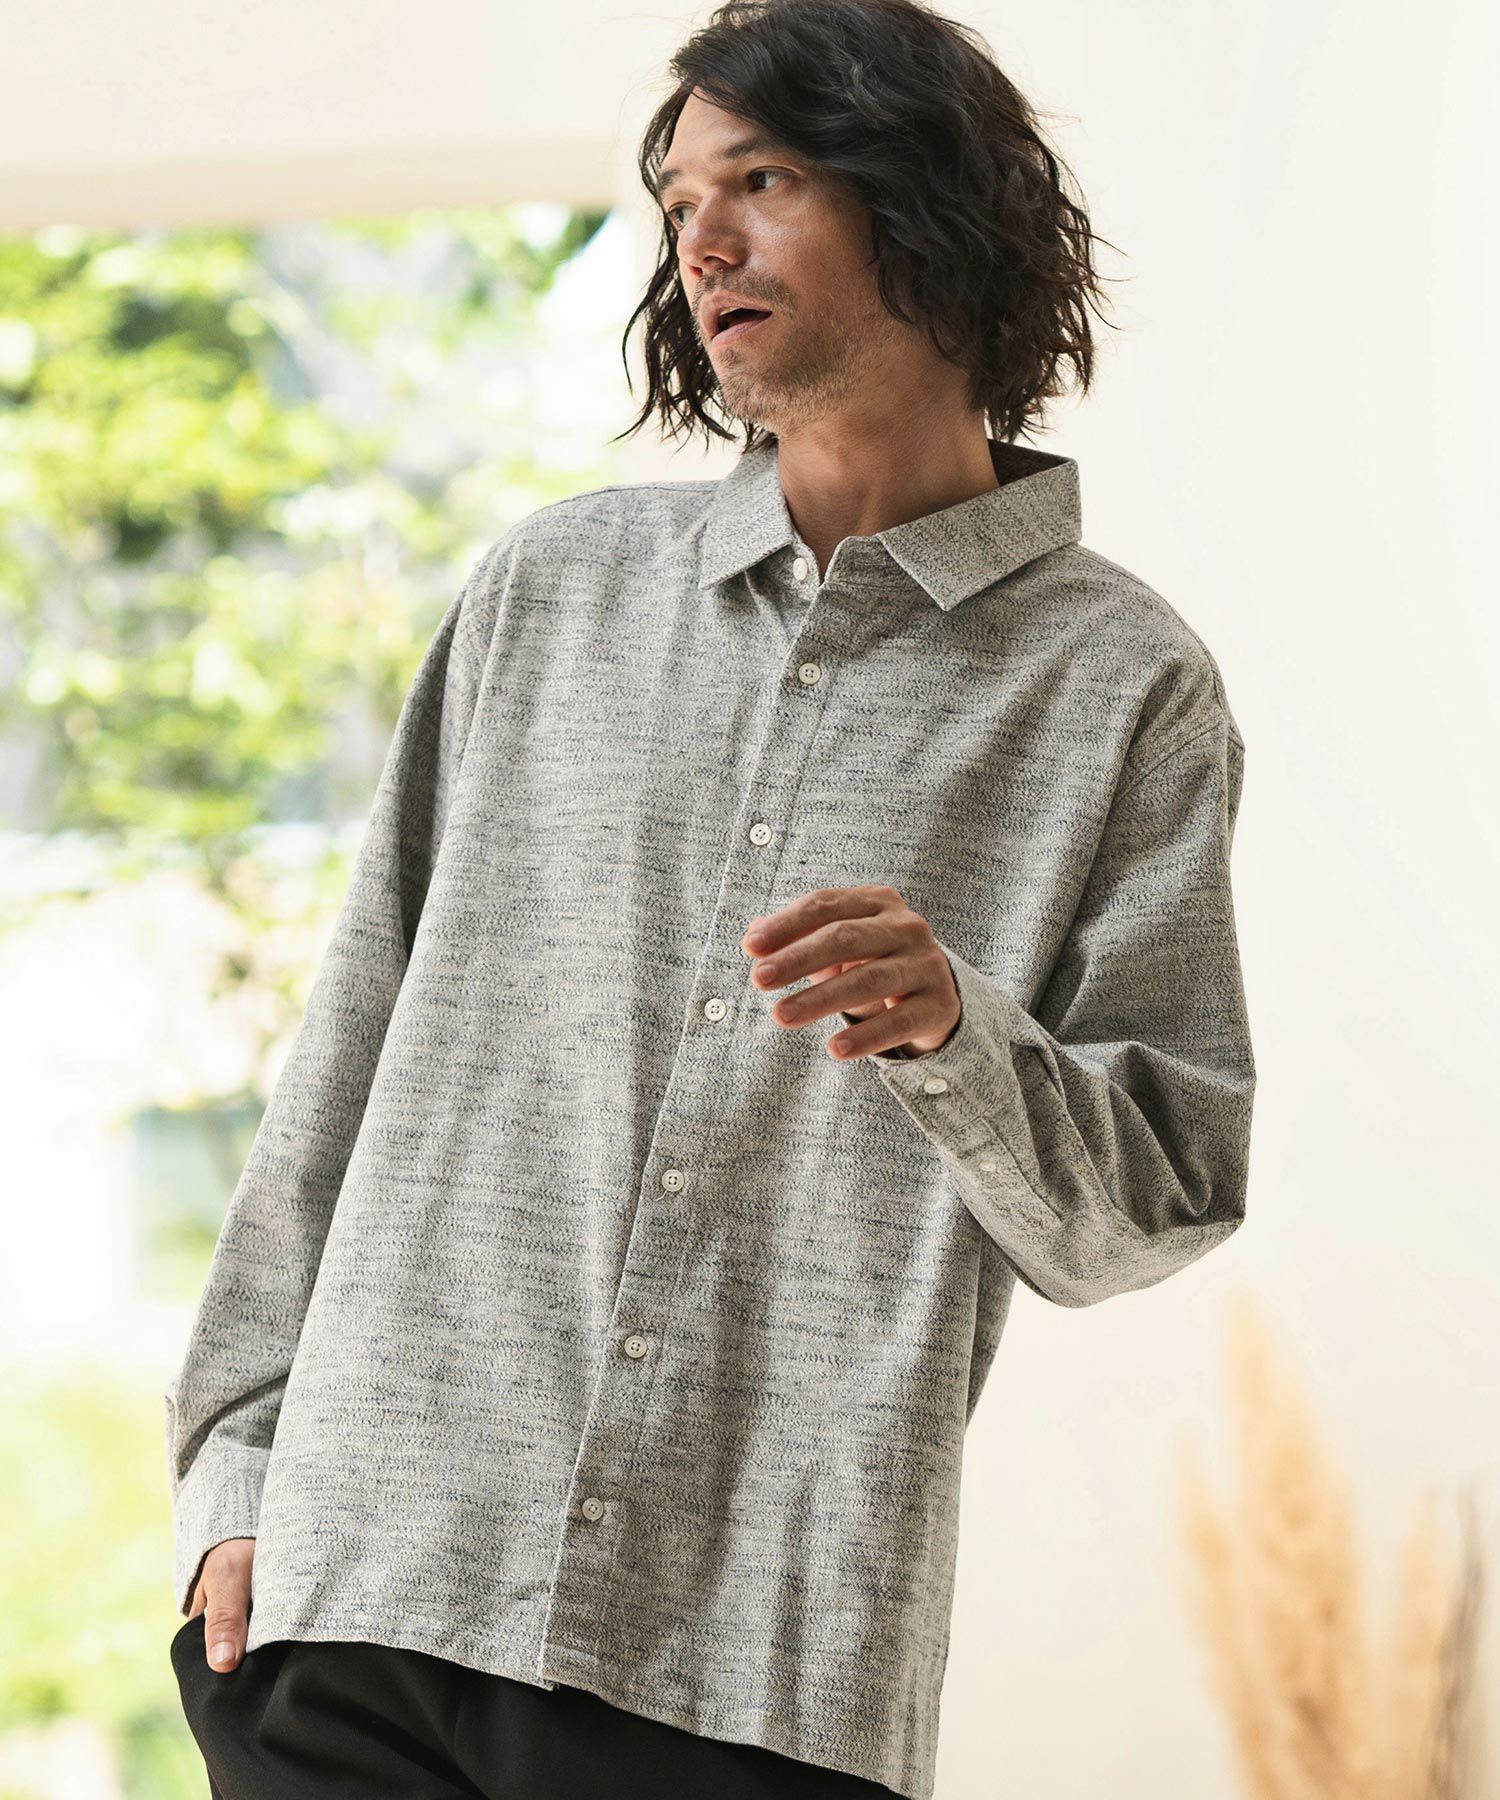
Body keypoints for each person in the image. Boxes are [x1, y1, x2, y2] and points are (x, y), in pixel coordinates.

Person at [165, 0, 1257, 1795]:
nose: (704, 243)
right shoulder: (551, 594)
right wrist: (233, 1474)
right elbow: (345, 1056)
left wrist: (957, 1038)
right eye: (680, 201)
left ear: (931, 203)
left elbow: (1158, 1199)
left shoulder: (1120, 687)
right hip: (362, 1598)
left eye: (763, 181)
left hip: (752, 1662)